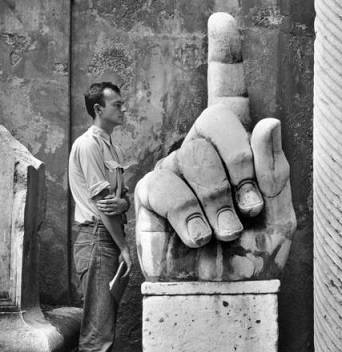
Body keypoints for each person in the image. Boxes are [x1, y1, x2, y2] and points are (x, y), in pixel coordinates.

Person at [68, 82, 132, 352]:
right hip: (95, 238)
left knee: (103, 329)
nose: (122, 108)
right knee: (97, 336)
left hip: (107, 237)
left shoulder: (113, 149)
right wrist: (124, 248)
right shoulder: (88, 145)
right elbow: (104, 204)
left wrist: (124, 203)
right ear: (98, 109)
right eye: (116, 104)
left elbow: (121, 200)